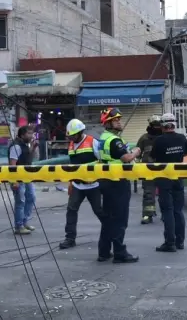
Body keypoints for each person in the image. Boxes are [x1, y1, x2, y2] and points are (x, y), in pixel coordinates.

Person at [150, 113, 187, 253]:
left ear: (162, 126)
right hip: (178, 178)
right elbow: (186, 152)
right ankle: (180, 241)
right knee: (178, 210)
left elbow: (154, 156)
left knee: (167, 211)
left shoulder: (158, 141)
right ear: (175, 124)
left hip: (163, 179)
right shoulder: (181, 138)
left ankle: (170, 243)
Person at [97, 107, 140, 263]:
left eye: (119, 119)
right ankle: (120, 253)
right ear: (108, 123)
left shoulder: (104, 137)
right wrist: (136, 151)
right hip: (117, 182)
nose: (119, 122)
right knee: (120, 219)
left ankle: (104, 252)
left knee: (109, 218)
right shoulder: (114, 140)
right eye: (116, 120)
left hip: (106, 181)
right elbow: (127, 158)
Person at [59, 119, 105, 255]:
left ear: (80, 132)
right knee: (71, 211)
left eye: (73, 135)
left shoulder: (92, 141)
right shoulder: (72, 145)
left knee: (100, 211)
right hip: (77, 185)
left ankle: (110, 234)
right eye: (69, 136)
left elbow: (102, 162)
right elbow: (72, 166)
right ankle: (70, 238)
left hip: (93, 184)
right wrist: (70, 182)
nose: (71, 138)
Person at [8, 126, 38, 235]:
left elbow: (27, 156)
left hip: (26, 176)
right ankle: (18, 226)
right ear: (22, 135)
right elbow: (12, 163)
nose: (31, 135)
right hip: (18, 178)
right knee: (20, 202)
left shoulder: (25, 145)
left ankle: (24, 222)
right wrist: (14, 180)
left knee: (31, 197)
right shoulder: (16, 146)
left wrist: (33, 148)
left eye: (32, 133)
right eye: (29, 133)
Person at [136, 115, 163, 224]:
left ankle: (166, 214)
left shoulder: (164, 138)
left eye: (158, 125)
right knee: (148, 194)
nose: (157, 128)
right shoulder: (144, 138)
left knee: (165, 193)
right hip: (147, 170)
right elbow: (137, 152)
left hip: (163, 169)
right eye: (155, 125)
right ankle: (147, 215)